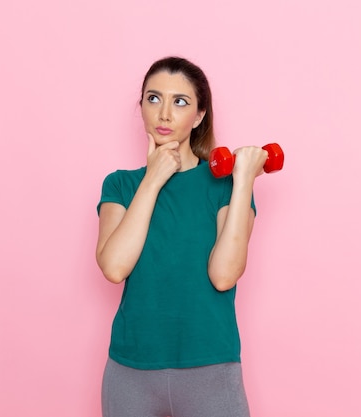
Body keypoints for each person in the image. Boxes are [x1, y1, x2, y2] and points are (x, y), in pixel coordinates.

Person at [96, 56, 269, 417]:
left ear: (200, 115)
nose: (164, 114)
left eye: (180, 102)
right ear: (141, 105)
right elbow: (114, 267)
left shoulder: (225, 186)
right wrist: (153, 179)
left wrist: (244, 182)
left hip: (211, 369)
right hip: (131, 372)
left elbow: (224, 275)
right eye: (154, 98)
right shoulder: (121, 184)